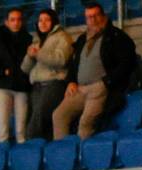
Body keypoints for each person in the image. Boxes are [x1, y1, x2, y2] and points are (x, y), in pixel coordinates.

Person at [54, 3, 137, 139]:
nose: (92, 20)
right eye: (89, 17)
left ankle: (83, 155)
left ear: (103, 16)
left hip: (100, 88)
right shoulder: (82, 39)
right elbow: (75, 65)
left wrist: (107, 82)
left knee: (85, 123)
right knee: (58, 115)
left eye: (95, 16)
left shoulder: (117, 36)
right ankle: (63, 153)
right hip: (80, 89)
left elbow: (127, 63)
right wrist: (71, 81)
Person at [0, 8, 34, 143]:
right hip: (3, 86)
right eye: (12, 20)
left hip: (21, 87)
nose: (16, 23)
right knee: (3, 130)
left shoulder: (28, 39)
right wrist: (2, 71)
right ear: (6, 22)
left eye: (19, 20)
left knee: (21, 132)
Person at [23, 10, 74, 142]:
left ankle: (30, 152)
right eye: (40, 20)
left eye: (47, 20)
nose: (43, 23)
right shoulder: (37, 40)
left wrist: (39, 54)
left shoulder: (63, 37)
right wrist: (29, 56)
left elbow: (61, 60)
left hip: (54, 84)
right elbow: (25, 68)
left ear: (54, 22)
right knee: (41, 124)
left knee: (36, 123)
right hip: (36, 87)